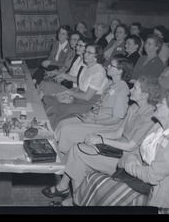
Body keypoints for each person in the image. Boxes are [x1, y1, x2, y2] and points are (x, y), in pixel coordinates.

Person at [42, 75, 160, 204]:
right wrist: (97, 135)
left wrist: (101, 140)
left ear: (145, 95)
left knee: (78, 150)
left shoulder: (150, 117)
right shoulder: (134, 108)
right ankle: (75, 198)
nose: (131, 90)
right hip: (117, 146)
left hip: (126, 158)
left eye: (135, 88)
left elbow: (130, 146)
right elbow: (117, 132)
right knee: (78, 149)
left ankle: (72, 197)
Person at [73, 90, 169, 213]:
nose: (156, 105)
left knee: (95, 182)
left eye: (161, 104)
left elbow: (152, 176)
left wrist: (130, 165)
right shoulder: (159, 127)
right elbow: (139, 150)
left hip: (157, 198)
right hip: (141, 182)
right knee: (93, 181)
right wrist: (131, 158)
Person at [54, 55, 133, 153]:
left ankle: (62, 154)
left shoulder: (122, 90)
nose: (107, 66)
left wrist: (93, 122)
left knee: (66, 129)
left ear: (120, 71)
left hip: (105, 125)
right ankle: (54, 147)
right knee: (62, 123)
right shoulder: (110, 83)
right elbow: (100, 103)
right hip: (95, 117)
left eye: (112, 65)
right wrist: (90, 114)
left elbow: (116, 119)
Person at [42, 45, 108, 130]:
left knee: (63, 109)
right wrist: (69, 94)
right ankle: (43, 125)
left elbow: (87, 97)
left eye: (89, 53)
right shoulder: (85, 67)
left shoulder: (99, 72)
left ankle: (50, 131)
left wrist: (70, 93)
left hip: (88, 103)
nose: (85, 54)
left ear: (97, 56)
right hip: (78, 96)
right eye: (85, 52)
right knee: (53, 100)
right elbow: (80, 86)